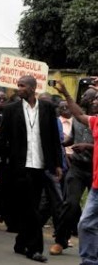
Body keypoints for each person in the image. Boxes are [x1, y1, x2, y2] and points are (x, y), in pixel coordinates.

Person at [0, 76, 62, 263]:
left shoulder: (47, 109)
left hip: (40, 165)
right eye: (18, 86)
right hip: (19, 166)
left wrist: (57, 164)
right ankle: (35, 249)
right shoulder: (11, 110)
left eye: (22, 86)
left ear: (33, 88)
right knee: (30, 207)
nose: (19, 89)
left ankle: (21, 242)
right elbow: (2, 139)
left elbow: (54, 139)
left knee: (30, 207)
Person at [50, 81, 95, 257]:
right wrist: (58, 143)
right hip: (77, 167)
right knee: (70, 204)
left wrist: (87, 146)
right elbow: (71, 139)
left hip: (94, 169)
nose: (82, 97)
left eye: (86, 96)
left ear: (93, 101)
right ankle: (61, 241)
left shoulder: (95, 120)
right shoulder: (78, 118)